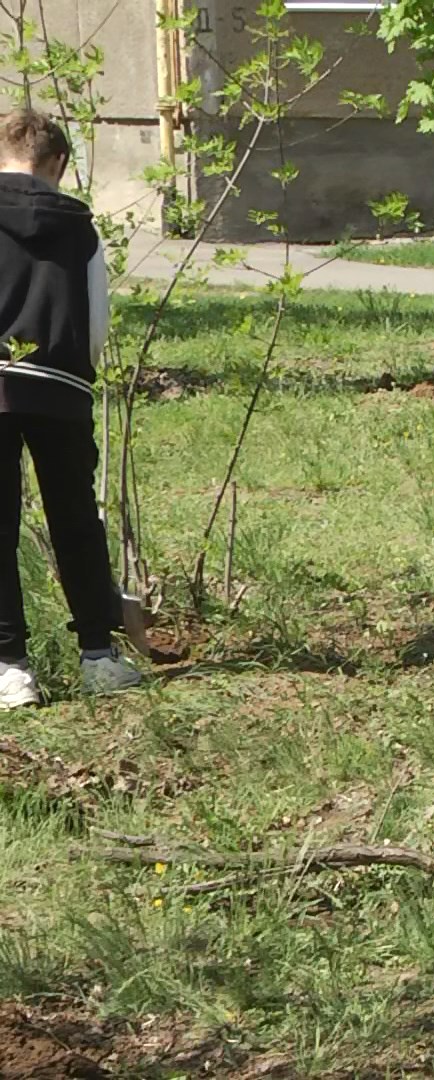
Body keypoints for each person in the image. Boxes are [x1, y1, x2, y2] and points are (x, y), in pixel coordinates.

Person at [0, 109, 141, 708]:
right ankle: (98, 657)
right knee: (76, 521)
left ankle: (10, 669)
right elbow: (97, 323)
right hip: (59, 386)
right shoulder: (81, 227)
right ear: (57, 164)